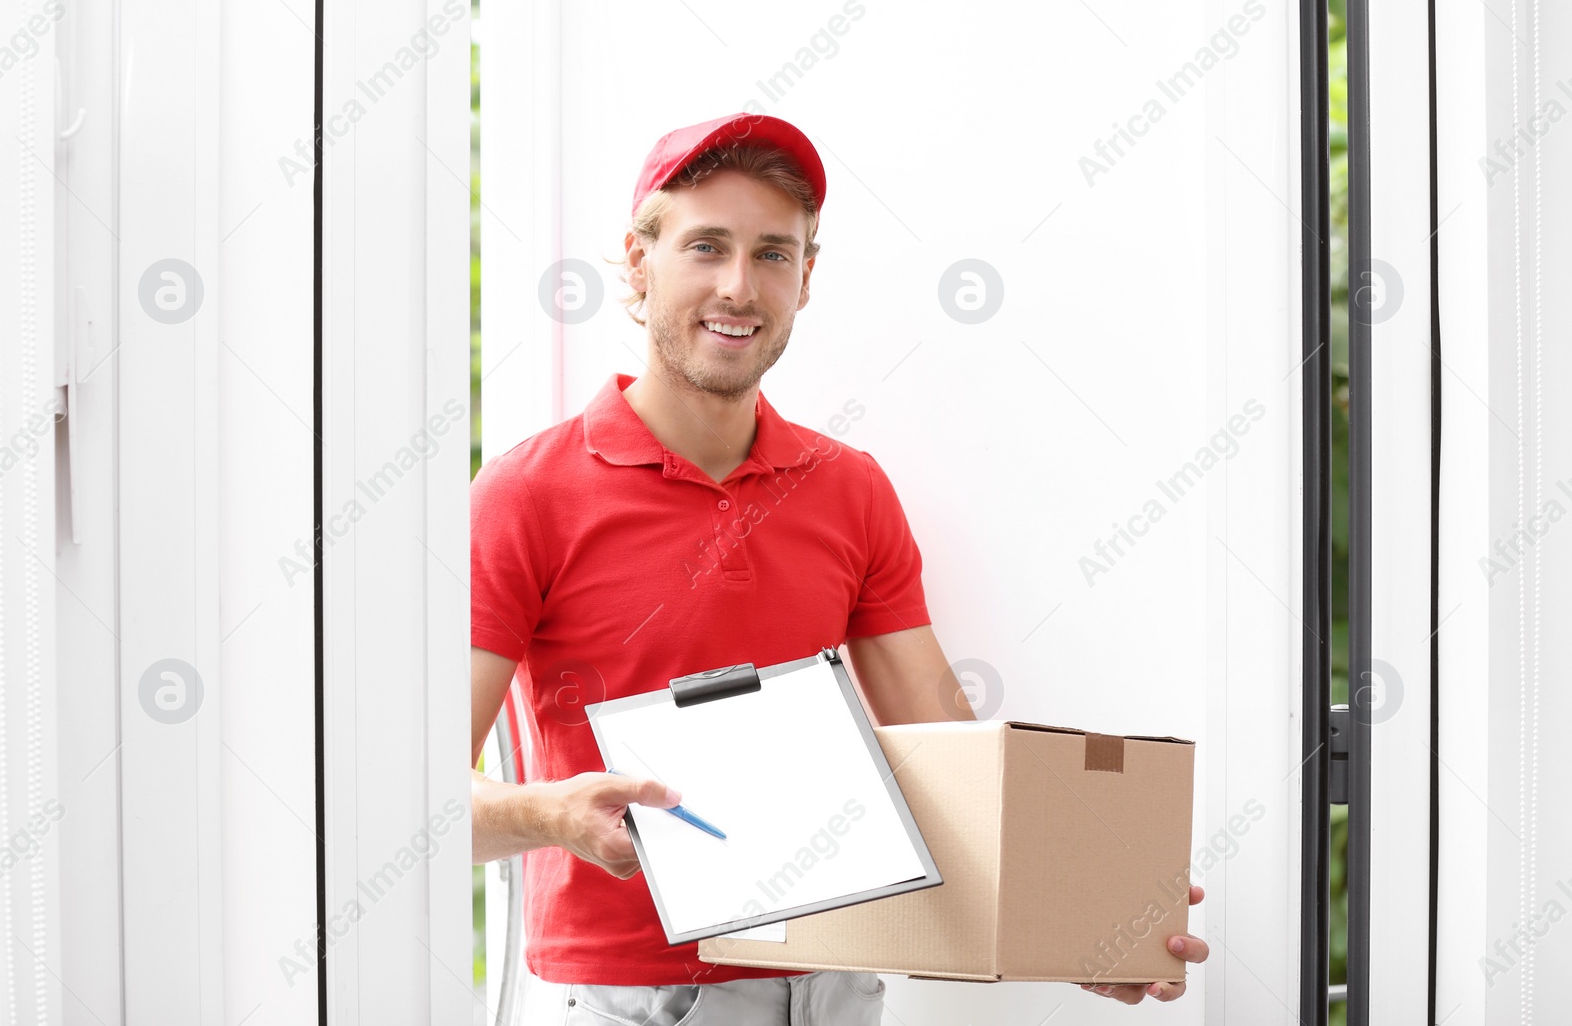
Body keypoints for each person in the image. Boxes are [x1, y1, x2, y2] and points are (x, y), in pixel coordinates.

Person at [469, 112, 1206, 1025]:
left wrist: (1077, 924)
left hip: (832, 988)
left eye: (774, 254)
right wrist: (553, 815)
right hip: (631, 1001)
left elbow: (950, 757)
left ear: (806, 278)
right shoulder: (525, 493)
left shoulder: (847, 491)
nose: (739, 287)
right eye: (706, 246)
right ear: (637, 264)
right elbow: (416, 803)